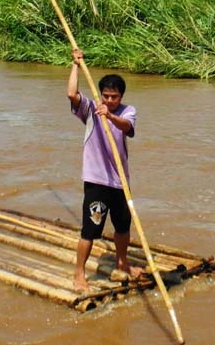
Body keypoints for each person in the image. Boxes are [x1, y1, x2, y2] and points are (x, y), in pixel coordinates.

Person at [67, 48, 142, 291]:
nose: (109, 100)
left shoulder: (127, 111)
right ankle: (79, 274)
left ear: (121, 96)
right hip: (97, 181)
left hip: (120, 181)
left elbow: (126, 126)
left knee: (123, 226)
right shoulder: (91, 109)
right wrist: (76, 65)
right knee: (90, 229)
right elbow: (71, 93)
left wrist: (109, 115)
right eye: (106, 96)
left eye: (114, 96)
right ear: (101, 94)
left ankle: (122, 263)